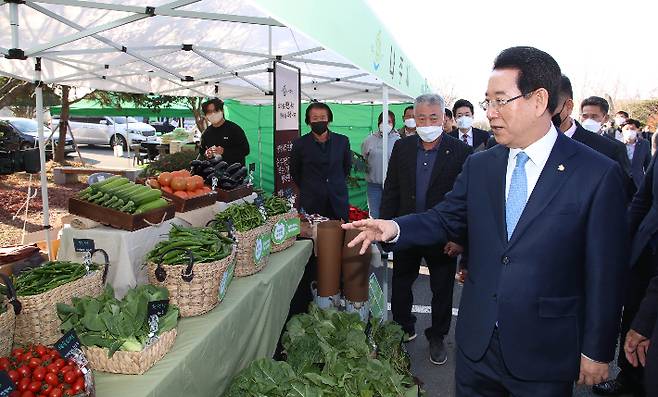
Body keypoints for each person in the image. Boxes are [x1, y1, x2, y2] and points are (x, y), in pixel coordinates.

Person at [343, 46, 628, 396]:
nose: (489, 113)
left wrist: (597, 350)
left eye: (500, 100)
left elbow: (606, 272)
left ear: (539, 100)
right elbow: (446, 217)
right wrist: (395, 227)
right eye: (486, 102)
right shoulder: (482, 165)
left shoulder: (596, 173)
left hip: (543, 350)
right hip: (477, 347)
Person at [380, 94, 471, 363]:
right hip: (405, 230)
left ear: (443, 118)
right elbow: (391, 189)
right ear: (413, 118)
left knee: (441, 290)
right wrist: (387, 227)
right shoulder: (402, 148)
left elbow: (466, 202)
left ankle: (437, 336)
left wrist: (459, 238)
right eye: (421, 117)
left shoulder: (461, 152)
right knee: (401, 284)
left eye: (433, 117)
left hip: (441, 237)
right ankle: (403, 328)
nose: (427, 122)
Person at [552, 75, 633, 196]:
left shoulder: (610, 148)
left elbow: (624, 193)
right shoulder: (526, 142)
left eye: (594, 117)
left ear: (568, 107)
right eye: (585, 116)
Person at [618, 154, 658, 397]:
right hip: (647, 251)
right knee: (635, 311)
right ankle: (629, 378)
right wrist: (621, 240)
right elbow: (642, 199)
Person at [290, 102, 351, 221]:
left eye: (323, 117)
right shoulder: (299, 144)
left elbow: (346, 167)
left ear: (329, 119)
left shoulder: (342, 141)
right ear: (308, 121)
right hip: (311, 200)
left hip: (337, 199)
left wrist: (335, 182)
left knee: (340, 234)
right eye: (315, 118)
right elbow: (295, 171)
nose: (319, 121)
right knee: (313, 235)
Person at [361, 110, 400, 219]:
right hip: (374, 184)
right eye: (383, 121)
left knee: (390, 214)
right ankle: (376, 236)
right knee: (375, 215)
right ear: (378, 123)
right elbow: (364, 158)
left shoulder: (398, 141)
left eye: (389, 121)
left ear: (393, 123)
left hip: (392, 185)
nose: (385, 124)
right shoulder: (369, 140)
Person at [199, 98, 250, 166]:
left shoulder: (234, 129)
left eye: (216, 110)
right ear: (206, 115)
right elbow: (202, 151)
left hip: (235, 172)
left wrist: (224, 151)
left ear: (222, 111)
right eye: (209, 112)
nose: (213, 114)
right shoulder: (206, 133)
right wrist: (207, 153)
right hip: (214, 172)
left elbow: (245, 150)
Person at [621, 119, 652, 191]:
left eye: (632, 129)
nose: (629, 131)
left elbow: (648, 164)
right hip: (621, 182)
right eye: (627, 129)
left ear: (637, 130)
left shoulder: (644, 144)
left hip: (638, 182)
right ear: (622, 130)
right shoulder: (617, 144)